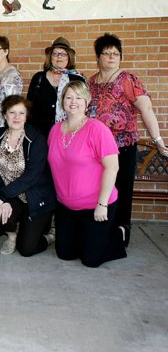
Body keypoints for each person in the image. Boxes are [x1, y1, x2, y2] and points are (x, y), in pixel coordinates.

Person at [87, 33, 167, 245]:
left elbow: (146, 109)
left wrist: (158, 139)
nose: (112, 57)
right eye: (107, 53)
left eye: (116, 53)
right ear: (98, 57)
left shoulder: (128, 79)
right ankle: (101, 229)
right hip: (96, 150)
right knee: (99, 188)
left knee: (121, 191)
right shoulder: (91, 82)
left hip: (122, 147)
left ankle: (121, 234)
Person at [48, 81, 127, 268]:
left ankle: (119, 233)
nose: (73, 102)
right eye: (68, 97)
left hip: (96, 206)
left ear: (87, 102)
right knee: (65, 254)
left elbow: (112, 168)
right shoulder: (55, 130)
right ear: (62, 101)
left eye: (78, 97)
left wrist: (102, 204)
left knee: (90, 260)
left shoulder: (98, 129)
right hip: (66, 207)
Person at [0, 96, 56, 256]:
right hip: (12, 195)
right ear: (5, 115)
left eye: (21, 113)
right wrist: (2, 200)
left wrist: (2, 195)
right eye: (12, 112)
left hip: (36, 196)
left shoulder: (36, 139)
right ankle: (12, 236)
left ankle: (49, 235)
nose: (16, 117)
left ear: (26, 116)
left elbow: (32, 176)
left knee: (27, 249)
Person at [27, 37, 84, 137]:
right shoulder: (39, 78)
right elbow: (29, 107)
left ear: (69, 57)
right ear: (50, 57)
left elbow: (83, 109)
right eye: (55, 53)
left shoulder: (77, 79)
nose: (59, 57)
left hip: (70, 134)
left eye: (63, 54)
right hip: (39, 136)